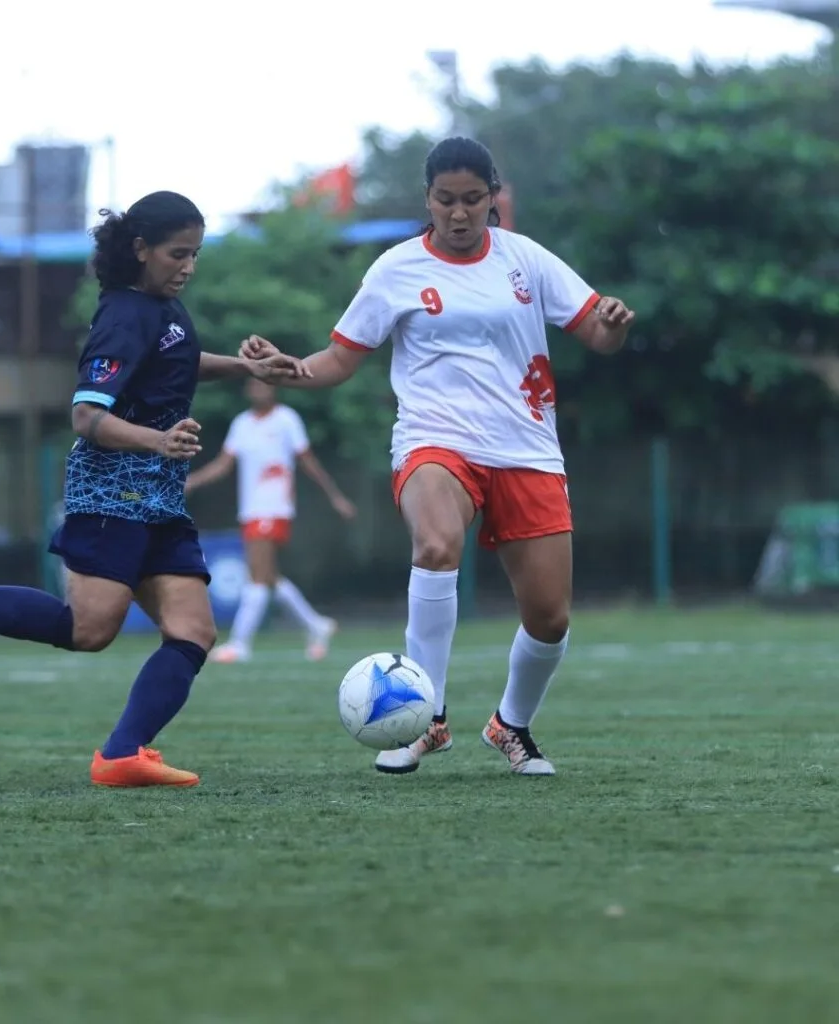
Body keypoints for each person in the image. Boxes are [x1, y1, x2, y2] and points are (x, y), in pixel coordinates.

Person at [0, 190, 307, 788]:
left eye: (195, 254)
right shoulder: (123, 315)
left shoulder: (163, 307)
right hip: (112, 492)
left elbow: (177, 362)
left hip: (159, 495)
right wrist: (158, 440)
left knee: (193, 631)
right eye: (178, 254)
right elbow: (86, 416)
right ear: (141, 249)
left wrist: (245, 368)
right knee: (89, 630)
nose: (188, 266)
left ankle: (122, 754)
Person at [241, 137, 635, 777]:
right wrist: (292, 370)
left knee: (549, 617)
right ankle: (428, 717)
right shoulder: (395, 269)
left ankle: (511, 725)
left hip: (527, 447)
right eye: (445, 199)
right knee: (434, 544)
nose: (458, 212)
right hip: (434, 439)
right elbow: (340, 358)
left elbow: (596, 330)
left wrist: (612, 325)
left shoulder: (525, 259)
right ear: (427, 198)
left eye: (472, 199)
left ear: (492, 197)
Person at [183, 378, 357, 663]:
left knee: (257, 577)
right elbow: (223, 464)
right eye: (253, 385)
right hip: (251, 509)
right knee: (269, 577)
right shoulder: (242, 423)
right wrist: (194, 481)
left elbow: (308, 460)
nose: (258, 390)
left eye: (263, 385)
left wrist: (335, 495)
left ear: (273, 388)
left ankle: (240, 644)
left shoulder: (286, 420)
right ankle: (317, 625)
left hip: (274, 507)